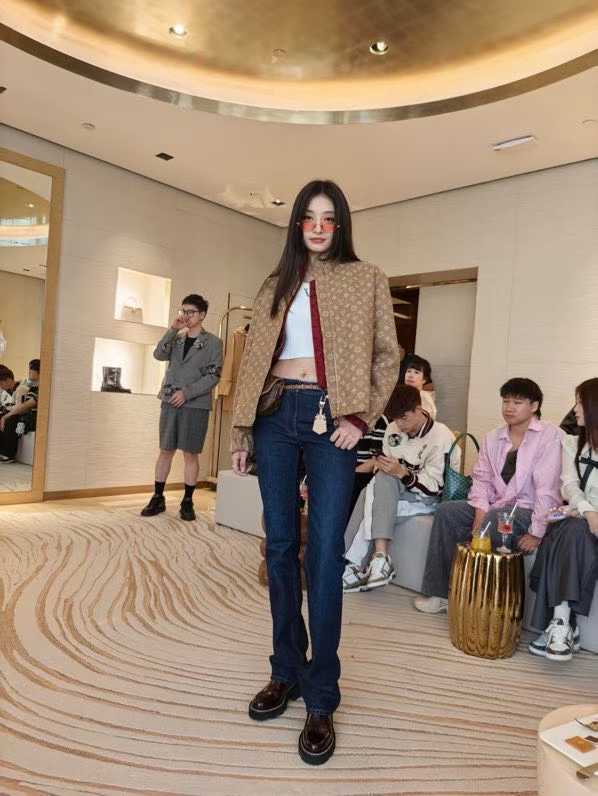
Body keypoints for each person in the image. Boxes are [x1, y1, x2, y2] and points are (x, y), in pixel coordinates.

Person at [231, 179, 399, 765]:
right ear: (297, 223)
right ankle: (285, 670)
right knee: (279, 546)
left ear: (341, 224)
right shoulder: (275, 282)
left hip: (334, 417)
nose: (320, 227)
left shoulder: (366, 277)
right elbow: (255, 359)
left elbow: (387, 356)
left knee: (324, 554)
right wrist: (243, 431)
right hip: (276, 413)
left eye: (329, 218)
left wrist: (361, 417)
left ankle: (322, 695)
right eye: (309, 217)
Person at [415, 377, 562, 614]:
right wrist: (479, 515)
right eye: (506, 401)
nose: (509, 408)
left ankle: (477, 601)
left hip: (529, 510)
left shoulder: (550, 436)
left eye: (517, 402)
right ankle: (440, 593)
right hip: (495, 505)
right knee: (447, 511)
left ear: (534, 406)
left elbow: (548, 490)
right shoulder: (493, 437)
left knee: (496, 518)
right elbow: (481, 481)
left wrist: (536, 532)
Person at [343, 384, 457, 592]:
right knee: (377, 486)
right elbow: (386, 468)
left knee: (371, 495)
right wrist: (389, 468)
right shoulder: (393, 429)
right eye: (395, 419)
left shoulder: (441, 436)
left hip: (427, 498)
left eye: (404, 418)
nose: (399, 424)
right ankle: (378, 559)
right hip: (395, 491)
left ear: (418, 409)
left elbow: (435, 488)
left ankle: (355, 565)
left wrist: (403, 473)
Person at [529, 378, 598, 661]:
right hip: (584, 523)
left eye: (580, 402)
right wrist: (586, 511)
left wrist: (583, 512)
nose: (575, 409)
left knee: (567, 529)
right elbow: (569, 484)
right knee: (567, 528)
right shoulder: (572, 442)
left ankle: (561, 625)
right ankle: (563, 623)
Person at [140, 294, 222, 522]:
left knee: (190, 453)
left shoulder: (214, 343)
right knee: (165, 450)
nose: (186, 316)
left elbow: (214, 375)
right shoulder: (176, 338)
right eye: (183, 311)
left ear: (202, 315)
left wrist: (187, 393)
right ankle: (158, 497)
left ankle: (187, 501)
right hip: (169, 401)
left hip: (195, 404)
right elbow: (158, 354)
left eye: (191, 312)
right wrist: (172, 329)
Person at [0, 359, 39, 462]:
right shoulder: (29, 386)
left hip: (29, 417)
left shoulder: (24, 387)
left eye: (31, 369)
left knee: (11, 418)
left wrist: (6, 415)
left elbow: (22, 407)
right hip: (24, 413)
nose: (29, 372)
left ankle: (8, 453)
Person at [399, 353, 436, 418]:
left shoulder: (424, 398)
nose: (410, 375)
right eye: (408, 371)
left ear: (424, 380)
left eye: (416, 372)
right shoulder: (402, 394)